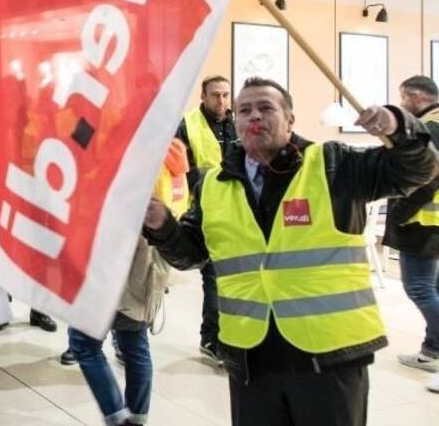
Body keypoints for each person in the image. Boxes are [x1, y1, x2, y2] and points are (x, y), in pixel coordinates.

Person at [143, 76, 437, 426]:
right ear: (236, 121)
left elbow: (417, 169)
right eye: (246, 110)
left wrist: (399, 126)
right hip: (251, 357)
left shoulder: (332, 164)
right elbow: (190, 253)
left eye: (266, 108)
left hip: (328, 356)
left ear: (290, 119)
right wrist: (162, 225)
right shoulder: (212, 185)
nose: (254, 116)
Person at [63, 138, 186, 425]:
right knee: (134, 342)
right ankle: (137, 418)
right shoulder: (173, 152)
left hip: (115, 261)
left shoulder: (132, 151)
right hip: (148, 265)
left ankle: (118, 418)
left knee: (83, 343)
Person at [175, 75, 236, 363]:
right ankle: (211, 339)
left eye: (225, 95)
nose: (221, 101)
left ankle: (230, 336)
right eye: (215, 95)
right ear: (203, 96)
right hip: (204, 210)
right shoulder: (188, 125)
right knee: (213, 276)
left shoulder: (239, 124)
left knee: (233, 279)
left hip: (240, 211)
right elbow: (177, 168)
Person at [386, 76, 439, 393]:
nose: (402, 103)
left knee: (419, 287)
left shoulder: (430, 127)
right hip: (431, 220)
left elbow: (427, 175)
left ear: (416, 96)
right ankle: (432, 350)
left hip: (423, 220)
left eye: (403, 97)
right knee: (432, 286)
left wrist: (401, 212)